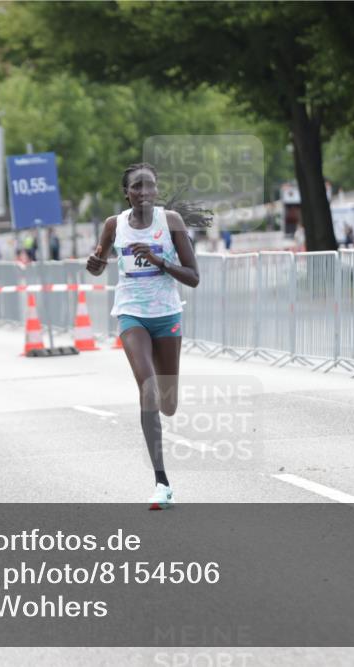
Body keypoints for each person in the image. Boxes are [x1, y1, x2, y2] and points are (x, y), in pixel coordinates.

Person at [86, 162, 207, 510]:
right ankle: (161, 482)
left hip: (167, 314)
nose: (143, 192)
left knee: (168, 404)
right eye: (136, 187)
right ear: (126, 193)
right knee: (148, 388)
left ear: (156, 191)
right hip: (131, 314)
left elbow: (194, 276)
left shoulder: (171, 222)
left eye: (149, 186)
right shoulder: (115, 225)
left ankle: (163, 399)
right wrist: (94, 263)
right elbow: (98, 262)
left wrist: (159, 261)